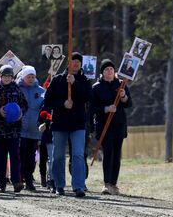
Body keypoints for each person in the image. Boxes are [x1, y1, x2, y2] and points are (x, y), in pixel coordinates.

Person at [44, 52, 91, 197]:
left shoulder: (84, 80)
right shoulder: (58, 80)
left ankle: (78, 186)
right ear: (68, 63)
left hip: (78, 123)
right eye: (73, 60)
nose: (76, 63)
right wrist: (62, 103)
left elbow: (88, 97)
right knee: (58, 155)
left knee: (77, 154)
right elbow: (47, 100)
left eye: (78, 61)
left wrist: (75, 83)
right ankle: (59, 185)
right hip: (60, 123)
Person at [91, 59, 132, 195]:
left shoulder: (121, 84)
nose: (109, 71)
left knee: (116, 154)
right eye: (106, 69)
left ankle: (114, 184)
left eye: (111, 69)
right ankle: (106, 183)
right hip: (104, 125)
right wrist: (106, 109)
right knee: (108, 152)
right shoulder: (96, 87)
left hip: (119, 124)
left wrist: (124, 96)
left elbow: (129, 103)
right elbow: (92, 108)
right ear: (102, 72)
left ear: (114, 71)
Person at [0, 65, 28, 193]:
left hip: (14, 130)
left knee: (15, 156)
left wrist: (21, 112)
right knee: (0, 158)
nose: (7, 78)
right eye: (4, 76)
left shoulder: (17, 89)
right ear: (1, 77)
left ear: (12, 77)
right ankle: (1, 183)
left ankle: (16, 181)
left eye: (9, 76)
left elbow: (24, 105)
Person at [17, 65, 45, 191]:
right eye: (28, 76)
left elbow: (44, 108)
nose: (31, 78)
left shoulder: (40, 91)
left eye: (33, 76)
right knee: (21, 155)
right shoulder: (17, 89)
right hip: (20, 128)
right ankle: (20, 178)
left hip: (34, 129)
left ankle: (29, 180)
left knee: (31, 157)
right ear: (23, 77)